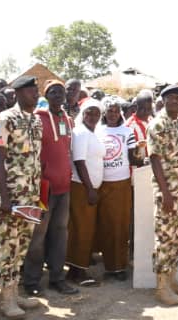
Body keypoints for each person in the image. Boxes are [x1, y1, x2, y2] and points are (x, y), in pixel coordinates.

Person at [0, 75, 45, 318]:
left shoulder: (36, 121)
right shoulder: (4, 120)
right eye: (31, 91)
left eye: (36, 90)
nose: (35, 94)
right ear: (18, 93)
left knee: (21, 246)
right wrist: (4, 197)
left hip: (30, 196)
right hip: (11, 196)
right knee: (8, 247)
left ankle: (15, 292)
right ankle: (6, 299)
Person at [22, 80, 78, 298]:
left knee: (60, 233)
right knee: (38, 234)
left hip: (64, 186)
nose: (58, 95)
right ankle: (31, 281)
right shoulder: (37, 118)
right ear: (46, 95)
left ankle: (57, 278)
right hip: (43, 187)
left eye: (61, 92)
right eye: (53, 92)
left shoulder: (67, 119)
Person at [147, 84, 178, 305]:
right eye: (171, 98)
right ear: (163, 101)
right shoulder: (158, 124)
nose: (175, 101)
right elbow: (154, 159)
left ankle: (172, 279)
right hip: (167, 191)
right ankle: (161, 287)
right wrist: (165, 192)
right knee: (165, 238)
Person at [93, 96, 138, 281]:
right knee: (105, 225)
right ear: (104, 113)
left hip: (121, 183)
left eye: (115, 111)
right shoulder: (97, 130)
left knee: (120, 225)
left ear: (120, 113)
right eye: (109, 111)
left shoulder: (127, 132)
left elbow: (133, 158)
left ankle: (120, 266)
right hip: (101, 183)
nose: (112, 114)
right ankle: (109, 266)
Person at [65, 100, 105, 287]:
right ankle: (77, 272)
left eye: (96, 113)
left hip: (89, 188)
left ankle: (76, 269)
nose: (93, 116)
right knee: (81, 229)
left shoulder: (92, 133)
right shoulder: (81, 132)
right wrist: (90, 188)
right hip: (82, 187)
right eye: (89, 113)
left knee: (85, 229)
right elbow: (80, 162)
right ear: (83, 113)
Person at [127, 91, 154, 163]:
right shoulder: (129, 126)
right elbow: (128, 154)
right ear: (136, 107)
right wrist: (141, 161)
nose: (146, 112)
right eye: (143, 109)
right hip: (140, 169)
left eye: (149, 109)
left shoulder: (151, 120)